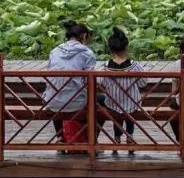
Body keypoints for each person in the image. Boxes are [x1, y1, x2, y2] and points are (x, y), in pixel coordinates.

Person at [43, 21, 96, 149]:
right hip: (76, 102)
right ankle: (91, 140)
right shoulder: (87, 53)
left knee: (57, 92)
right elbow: (90, 80)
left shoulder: (54, 51)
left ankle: (60, 137)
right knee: (98, 101)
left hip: (52, 101)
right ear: (83, 36)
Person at [97, 27, 145, 156]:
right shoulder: (135, 66)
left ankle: (116, 139)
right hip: (132, 102)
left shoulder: (106, 66)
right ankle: (129, 137)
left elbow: (101, 83)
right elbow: (143, 82)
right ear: (126, 47)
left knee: (116, 116)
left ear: (111, 49)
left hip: (113, 103)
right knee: (130, 115)